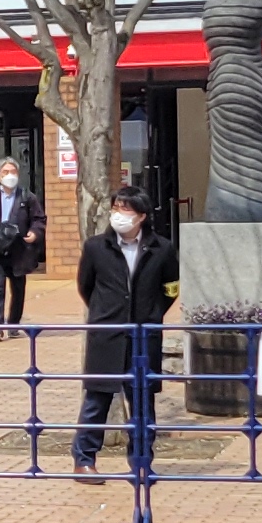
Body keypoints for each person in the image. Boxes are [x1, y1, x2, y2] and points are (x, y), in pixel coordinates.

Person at [70, 183, 176, 479]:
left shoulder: (162, 248)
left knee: (143, 403)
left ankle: (141, 461)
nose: (118, 214)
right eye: (116, 208)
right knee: (97, 400)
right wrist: (106, 313)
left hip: (144, 338)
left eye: (125, 209)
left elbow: (170, 289)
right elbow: (85, 286)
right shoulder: (96, 247)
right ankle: (84, 459)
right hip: (107, 335)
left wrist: (152, 315)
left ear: (141, 215)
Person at [0, 157, 41, 326]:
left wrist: (35, 232)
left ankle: (13, 324)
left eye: (13, 172)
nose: (9, 176)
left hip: (18, 250)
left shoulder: (27, 197)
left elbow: (39, 219)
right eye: (5, 172)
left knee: (18, 290)